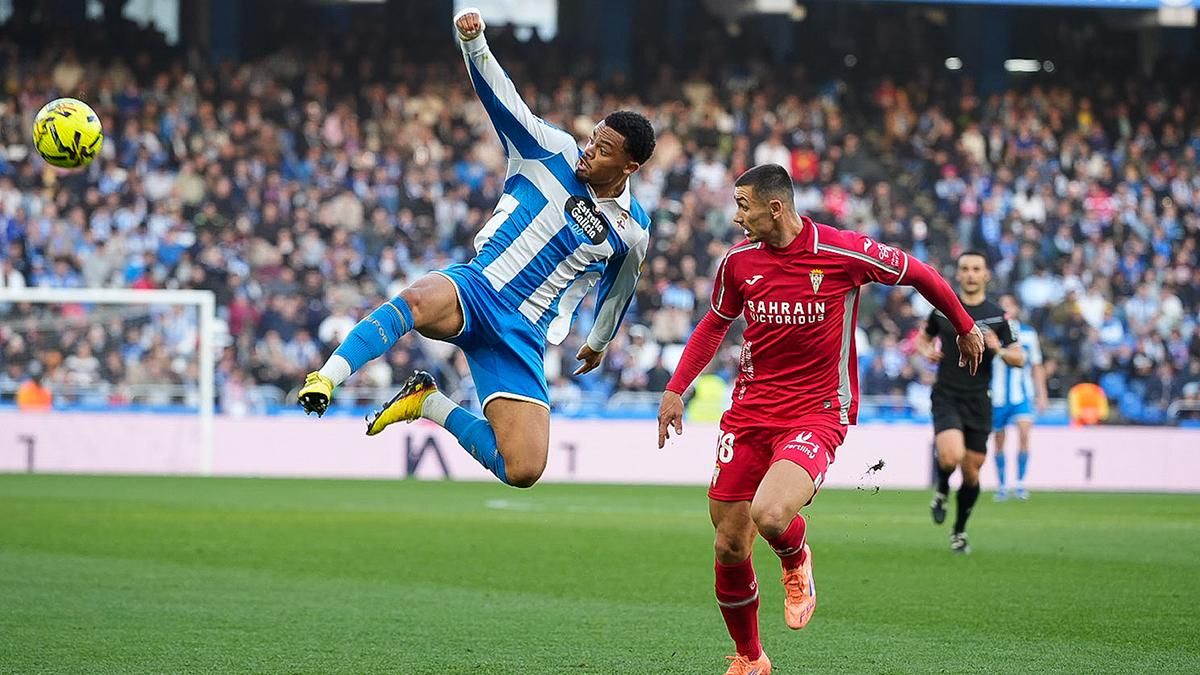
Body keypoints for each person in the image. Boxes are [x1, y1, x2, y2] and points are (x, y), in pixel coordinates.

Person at [297, 8, 656, 488]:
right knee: (416, 300)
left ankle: (426, 402)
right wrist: (475, 45)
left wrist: (598, 342)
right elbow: (504, 101)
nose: (590, 150)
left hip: (523, 332)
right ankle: (326, 376)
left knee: (523, 469)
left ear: (630, 167)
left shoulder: (633, 231)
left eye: (605, 149)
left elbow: (619, 290)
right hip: (479, 287)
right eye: (594, 138)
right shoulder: (551, 150)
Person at [657, 164, 984, 675]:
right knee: (729, 543)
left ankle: (795, 559)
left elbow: (919, 272)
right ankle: (750, 658)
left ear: (775, 208)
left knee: (770, 515)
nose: (736, 216)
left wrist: (963, 325)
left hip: (817, 412)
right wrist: (676, 388)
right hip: (749, 414)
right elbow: (714, 323)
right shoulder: (738, 263)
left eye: (743, 205)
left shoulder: (841, 251)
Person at [917, 252, 1024, 554]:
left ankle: (959, 530)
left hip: (979, 399)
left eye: (977, 269)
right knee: (950, 455)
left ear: (986, 275)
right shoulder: (943, 310)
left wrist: (998, 349)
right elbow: (922, 339)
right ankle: (941, 489)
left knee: (973, 472)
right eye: (965, 269)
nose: (971, 274)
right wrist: (926, 351)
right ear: (959, 274)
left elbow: (1020, 357)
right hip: (947, 394)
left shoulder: (999, 316)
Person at [991, 293, 1046, 501]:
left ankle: (1021, 483)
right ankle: (1002, 485)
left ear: (1016, 309)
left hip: (1022, 395)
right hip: (997, 396)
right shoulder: (991, 334)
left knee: (1024, 434)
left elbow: (1037, 365)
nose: (1006, 309)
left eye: (1009, 305)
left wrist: (1042, 394)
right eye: (1002, 306)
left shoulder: (1028, 334)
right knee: (999, 440)